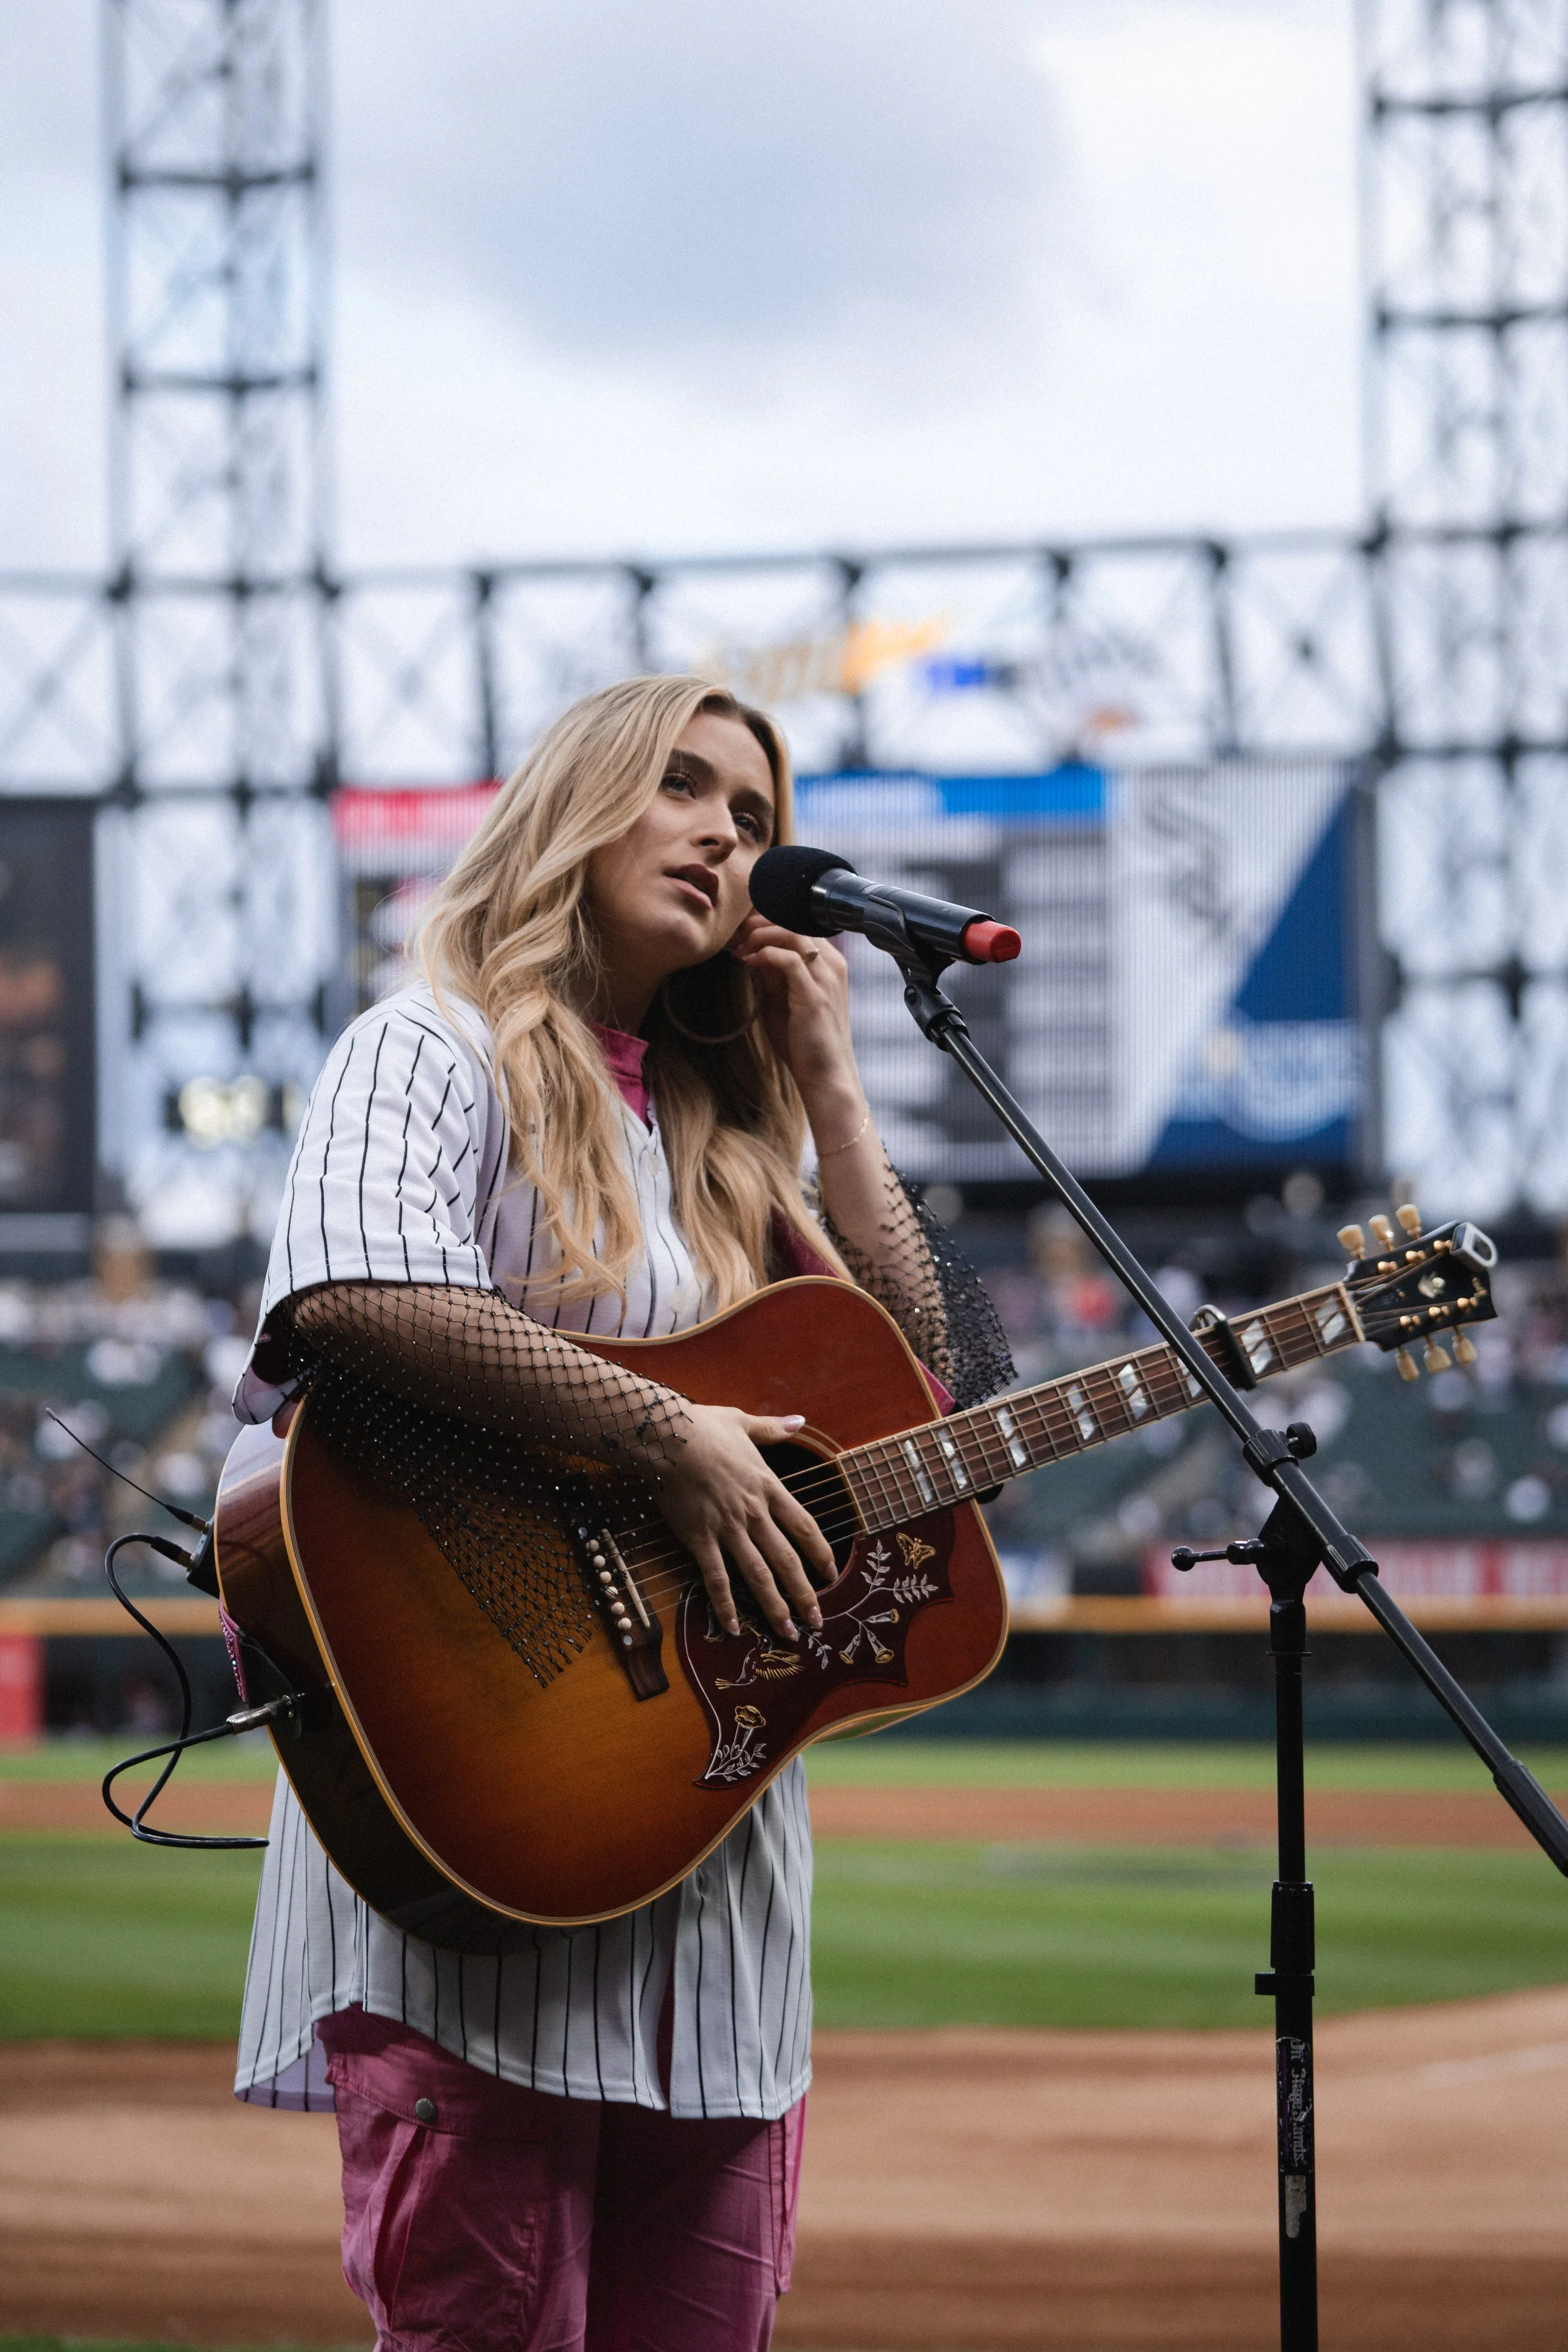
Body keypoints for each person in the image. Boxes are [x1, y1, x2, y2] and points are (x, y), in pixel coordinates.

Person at [229, 674, 1010, 2352]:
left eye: (755, 814)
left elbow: (951, 1414)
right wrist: (667, 1437)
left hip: (717, 1911)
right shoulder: (427, 1039)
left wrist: (834, 1093)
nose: (727, 833)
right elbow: (350, 1295)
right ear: (576, 803)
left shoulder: (739, 1155)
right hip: (480, 1842)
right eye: (682, 785)